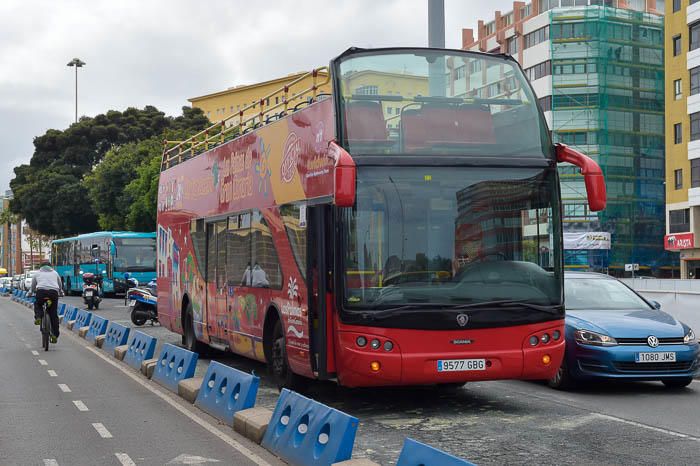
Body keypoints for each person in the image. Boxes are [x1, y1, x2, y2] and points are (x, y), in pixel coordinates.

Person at [31, 261, 64, 343]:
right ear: (50, 266)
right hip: (53, 293)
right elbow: (60, 284)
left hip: (41, 292)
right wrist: (60, 292)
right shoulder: (55, 273)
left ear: (41, 267)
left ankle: (38, 317)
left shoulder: (37, 273)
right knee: (53, 313)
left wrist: (31, 292)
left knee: (38, 304)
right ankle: (54, 335)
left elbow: (33, 285)